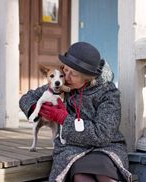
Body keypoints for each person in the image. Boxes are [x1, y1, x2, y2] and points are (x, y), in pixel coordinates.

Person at [19, 42, 132, 182]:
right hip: (72, 147)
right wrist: (40, 108)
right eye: (65, 70)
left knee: (106, 177)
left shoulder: (108, 93)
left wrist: (64, 119)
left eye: (74, 74)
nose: (66, 77)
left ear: (88, 78)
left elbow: (102, 134)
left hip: (106, 147)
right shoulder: (61, 85)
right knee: (80, 177)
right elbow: (26, 99)